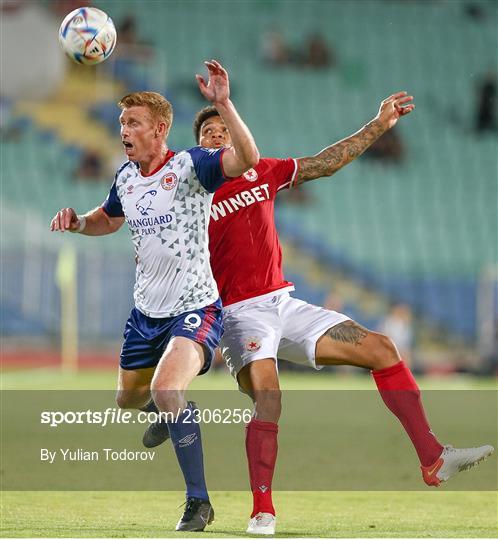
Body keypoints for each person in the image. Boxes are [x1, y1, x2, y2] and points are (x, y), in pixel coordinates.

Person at [144, 92, 494, 535]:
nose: (217, 135)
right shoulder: (187, 193)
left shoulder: (261, 171)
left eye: (225, 130)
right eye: (207, 133)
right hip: (237, 314)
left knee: (383, 349)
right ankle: (261, 511)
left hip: (282, 302)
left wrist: (378, 125)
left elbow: (325, 162)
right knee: (270, 398)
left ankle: (433, 458)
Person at [50, 60, 259, 532]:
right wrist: (79, 222)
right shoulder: (126, 176)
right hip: (146, 312)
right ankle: (176, 410)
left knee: (167, 389)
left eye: (133, 122)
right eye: (121, 121)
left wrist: (223, 104)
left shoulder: (191, 166)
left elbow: (245, 159)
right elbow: (109, 216)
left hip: (195, 307)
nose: (123, 128)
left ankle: (198, 502)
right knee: (127, 399)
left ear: (159, 128)